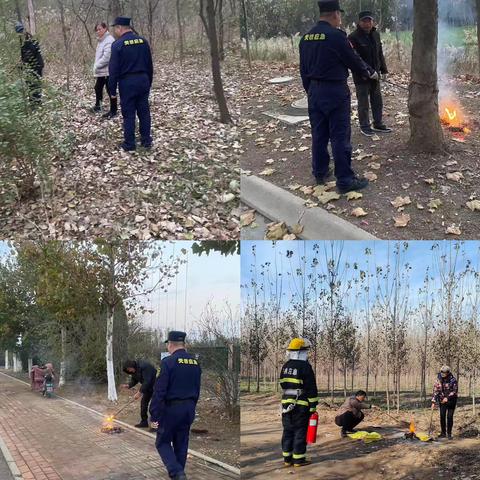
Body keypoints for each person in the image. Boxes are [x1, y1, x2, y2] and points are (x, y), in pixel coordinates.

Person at [299, 0, 377, 194]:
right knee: (340, 136)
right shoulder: (337, 36)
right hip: (335, 91)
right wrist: (370, 72)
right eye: (339, 15)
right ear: (335, 14)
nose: (340, 19)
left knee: (319, 134)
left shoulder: (306, 38)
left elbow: (303, 70)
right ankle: (345, 180)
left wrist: (311, 90)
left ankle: (320, 172)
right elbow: (354, 61)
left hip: (314, 91)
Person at [150, 331, 201, 480]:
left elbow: (159, 391)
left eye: (168, 345)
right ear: (183, 344)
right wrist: (191, 407)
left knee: (162, 442)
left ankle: (176, 472)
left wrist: (154, 414)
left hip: (171, 410)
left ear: (170, 344)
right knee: (181, 443)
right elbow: (197, 389)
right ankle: (179, 474)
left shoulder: (168, 362)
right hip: (189, 409)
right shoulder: (195, 363)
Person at [108, 16, 153, 151]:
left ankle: (130, 144)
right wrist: (149, 81)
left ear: (119, 28)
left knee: (129, 114)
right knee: (144, 112)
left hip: (127, 83)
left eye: (115, 28)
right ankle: (146, 141)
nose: (115, 31)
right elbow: (149, 65)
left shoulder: (117, 45)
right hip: (143, 80)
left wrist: (112, 90)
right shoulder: (143, 41)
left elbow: (113, 70)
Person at [348, 11, 391, 136]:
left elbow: (379, 53)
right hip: (361, 76)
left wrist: (383, 70)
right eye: (364, 21)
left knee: (377, 100)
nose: (367, 24)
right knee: (363, 102)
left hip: (375, 75)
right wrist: (369, 71)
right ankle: (365, 126)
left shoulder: (375, 34)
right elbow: (356, 58)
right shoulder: (353, 37)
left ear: (373, 22)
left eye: (369, 21)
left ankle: (378, 123)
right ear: (359, 22)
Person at [279, 338, 318, 468]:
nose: (307, 354)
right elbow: (311, 387)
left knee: (288, 431)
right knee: (300, 432)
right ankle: (298, 459)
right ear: (300, 352)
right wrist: (313, 406)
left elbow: (283, 384)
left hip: (286, 405)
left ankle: (287, 458)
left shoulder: (285, 366)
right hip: (301, 405)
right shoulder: (305, 366)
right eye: (305, 351)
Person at [121, 359, 157, 429]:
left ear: (131, 365)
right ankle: (144, 422)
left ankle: (155, 426)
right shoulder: (134, 370)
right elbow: (134, 380)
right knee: (143, 404)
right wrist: (129, 385)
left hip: (156, 387)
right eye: (128, 370)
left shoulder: (144, 366)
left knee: (154, 407)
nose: (129, 371)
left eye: (129, 369)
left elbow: (147, 381)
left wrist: (139, 392)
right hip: (147, 388)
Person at [92, 22, 117, 118]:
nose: (98, 31)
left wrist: (96, 66)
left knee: (110, 90)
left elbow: (107, 57)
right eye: (97, 30)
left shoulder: (109, 40)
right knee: (97, 88)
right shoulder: (101, 40)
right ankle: (98, 106)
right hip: (102, 71)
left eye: (100, 29)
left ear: (105, 29)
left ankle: (113, 110)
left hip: (107, 70)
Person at [15, 21, 44, 104]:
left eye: (21, 30)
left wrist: (22, 63)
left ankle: (37, 104)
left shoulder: (30, 39)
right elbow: (25, 55)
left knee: (35, 84)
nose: (20, 33)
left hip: (36, 66)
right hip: (31, 66)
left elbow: (30, 54)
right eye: (19, 32)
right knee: (30, 84)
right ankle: (33, 102)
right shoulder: (25, 40)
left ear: (24, 29)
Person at [431, 365, 458, 440]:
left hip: (451, 401)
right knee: (442, 416)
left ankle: (449, 434)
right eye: (442, 372)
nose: (442, 374)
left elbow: (454, 391)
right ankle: (443, 433)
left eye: (444, 372)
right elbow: (436, 390)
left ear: (448, 372)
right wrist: (433, 401)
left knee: (449, 417)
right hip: (442, 400)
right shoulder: (438, 379)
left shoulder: (453, 380)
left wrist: (447, 398)